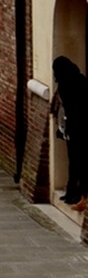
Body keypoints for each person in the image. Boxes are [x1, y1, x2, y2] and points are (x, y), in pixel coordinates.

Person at [54, 56, 88, 211]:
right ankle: (71, 191)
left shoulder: (79, 83)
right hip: (71, 128)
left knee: (80, 162)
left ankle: (80, 194)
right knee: (73, 162)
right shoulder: (63, 84)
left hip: (81, 128)